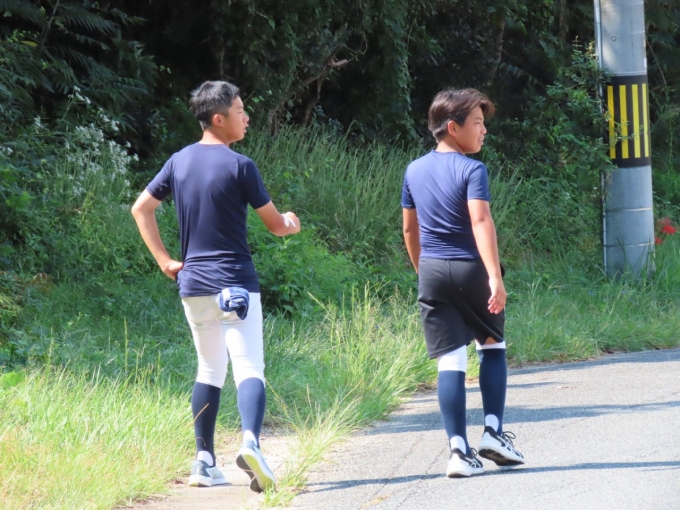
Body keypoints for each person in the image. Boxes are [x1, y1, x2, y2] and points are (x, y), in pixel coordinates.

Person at [131, 80, 300, 492]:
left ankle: (204, 461)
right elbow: (275, 225)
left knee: (209, 369)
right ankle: (251, 444)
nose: (247, 117)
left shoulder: (178, 162)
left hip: (193, 285)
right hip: (235, 283)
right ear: (219, 119)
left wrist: (165, 261)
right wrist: (292, 223)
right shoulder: (240, 165)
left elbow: (141, 208)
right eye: (240, 111)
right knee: (249, 366)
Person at [401, 88, 525, 478]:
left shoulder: (413, 170)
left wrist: (423, 270)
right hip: (471, 267)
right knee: (492, 345)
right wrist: (494, 276)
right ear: (453, 128)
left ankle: (458, 451)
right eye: (477, 123)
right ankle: (493, 433)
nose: (484, 130)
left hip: (432, 269)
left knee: (450, 359)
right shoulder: (473, 170)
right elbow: (480, 221)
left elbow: (409, 229)